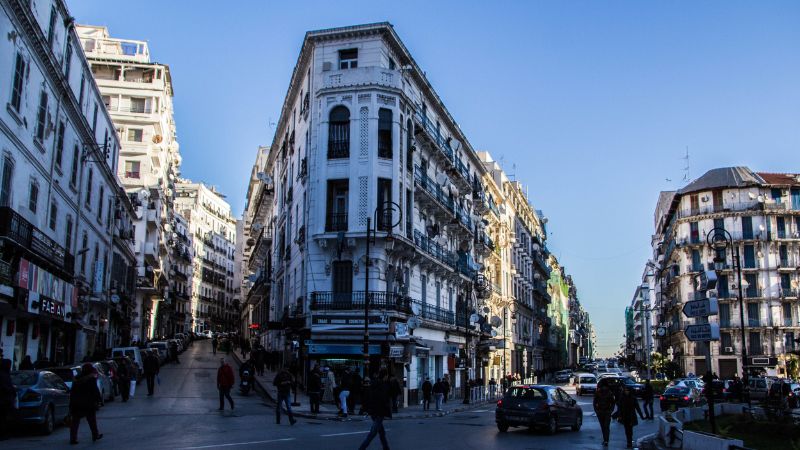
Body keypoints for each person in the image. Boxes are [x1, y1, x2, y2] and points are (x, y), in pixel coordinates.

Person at [69, 363, 103, 445]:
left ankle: (73, 438)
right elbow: (94, 390)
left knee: (75, 422)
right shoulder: (91, 379)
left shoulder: (77, 379)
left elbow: (72, 392)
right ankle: (95, 434)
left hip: (77, 403)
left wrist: (71, 403)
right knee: (92, 420)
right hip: (88, 403)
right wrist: (98, 400)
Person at [358, 369, 392, 450]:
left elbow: (369, 397)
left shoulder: (373, 384)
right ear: (385, 376)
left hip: (373, 411)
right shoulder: (383, 386)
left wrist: (368, 409)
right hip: (379, 412)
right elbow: (383, 400)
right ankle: (362, 448)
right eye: (387, 375)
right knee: (372, 434)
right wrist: (387, 412)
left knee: (381, 432)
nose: (387, 377)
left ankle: (386, 447)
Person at [593, 382, 616, 447]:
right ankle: (605, 439)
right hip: (600, 411)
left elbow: (613, 403)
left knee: (606, 426)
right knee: (603, 426)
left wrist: (610, 411)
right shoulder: (598, 393)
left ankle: (606, 440)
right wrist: (596, 411)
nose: (604, 388)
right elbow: (594, 402)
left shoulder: (609, 393)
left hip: (607, 411)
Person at [0, 359, 15, 441]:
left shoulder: (5, 374)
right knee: (3, 417)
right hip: (4, 399)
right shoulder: (4, 375)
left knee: (4, 417)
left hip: (6, 399)